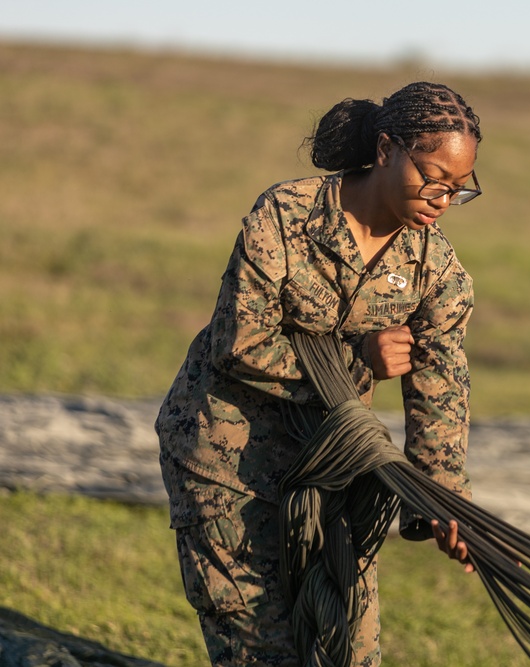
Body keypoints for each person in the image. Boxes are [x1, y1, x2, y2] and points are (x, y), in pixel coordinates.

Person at [155, 81, 481, 667]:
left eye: (459, 190)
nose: (442, 199)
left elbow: (441, 392)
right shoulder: (287, 216)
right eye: (433, 176)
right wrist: (357, 357)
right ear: (386, 149)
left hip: (329, 475)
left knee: (348, 650)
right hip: (228, 460)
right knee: (261, 649)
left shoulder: (437, 269)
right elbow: (239, 343)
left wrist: (445, 500)